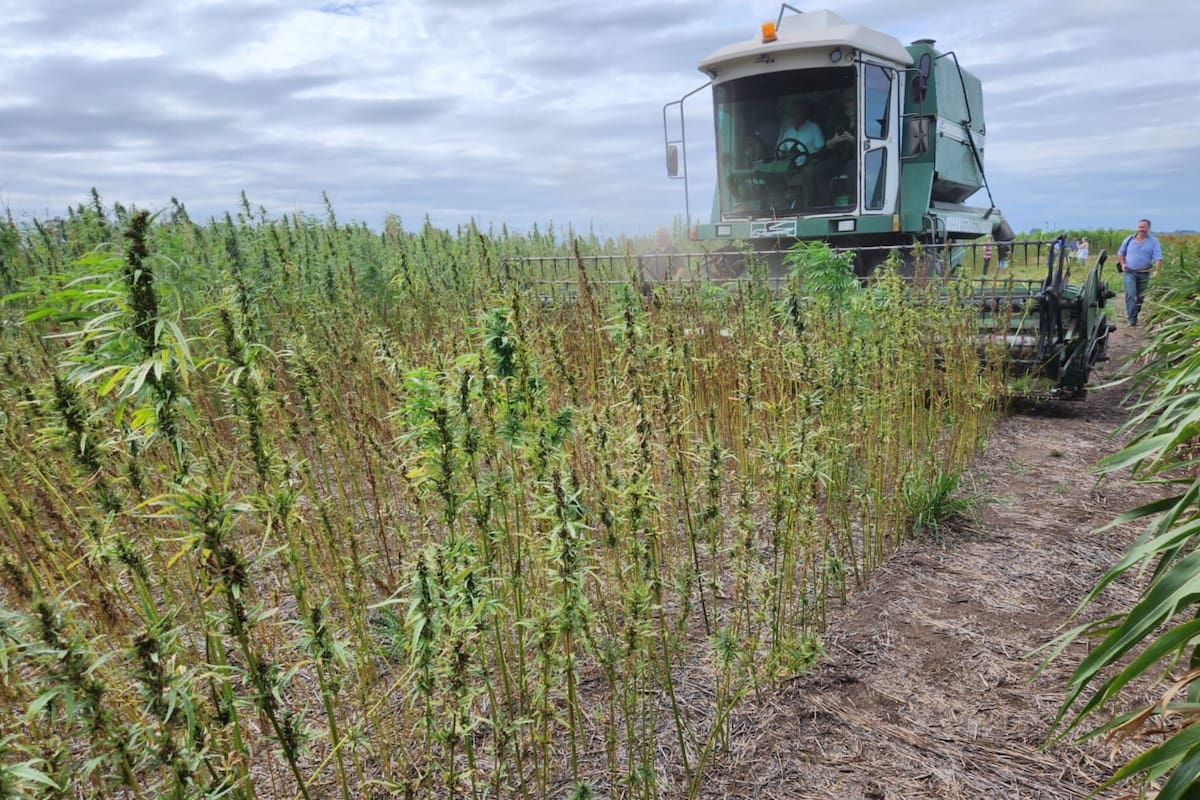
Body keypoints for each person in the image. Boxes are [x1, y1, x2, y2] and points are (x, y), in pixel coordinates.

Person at [1116, 218, 1163, 327]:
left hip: (1144, 273)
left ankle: (1135, 312)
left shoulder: (1153, 241)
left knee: (1140, 297)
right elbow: (1120, 253)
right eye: (1139, 227)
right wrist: (1122, 264)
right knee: (1130, 295)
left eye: (1143, 227)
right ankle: (1132, 318)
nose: (1141, 229)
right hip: (1129, 272)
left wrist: (1156, 270)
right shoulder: (1128, 239)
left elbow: (1158, 257)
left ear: (1148, 228)